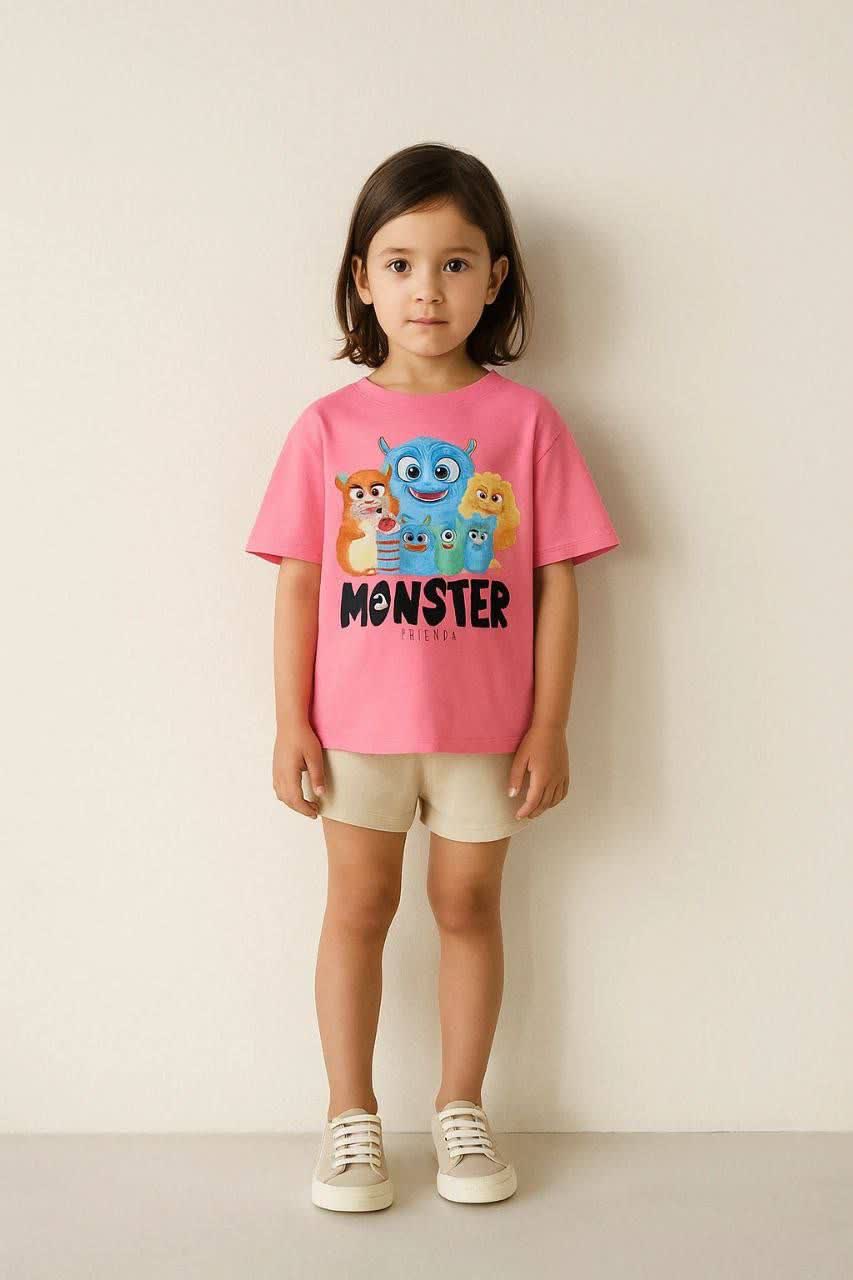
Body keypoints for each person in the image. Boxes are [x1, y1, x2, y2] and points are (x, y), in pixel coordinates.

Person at [245, 143, 620, 1212]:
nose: (427, 289)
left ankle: (461, 1104)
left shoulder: (526, 424)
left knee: (467, 905)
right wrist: (289, 720)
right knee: (357, 907)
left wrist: (549, 724)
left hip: (484, 732)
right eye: (400, 263)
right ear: (362, 278)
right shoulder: (327, 428)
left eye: (455, 264)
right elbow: (301, 584)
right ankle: (349, 1114)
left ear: (494, 278)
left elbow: (555, 583)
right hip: (355, 729)